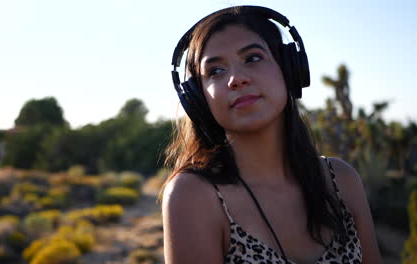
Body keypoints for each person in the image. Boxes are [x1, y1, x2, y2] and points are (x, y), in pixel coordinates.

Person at [160, 5, 382, 264]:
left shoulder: (341, 181)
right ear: (199, 100)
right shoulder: (194, 196)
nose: (236, 79)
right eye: (216, 71)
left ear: (289, 70)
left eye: (253, 58)